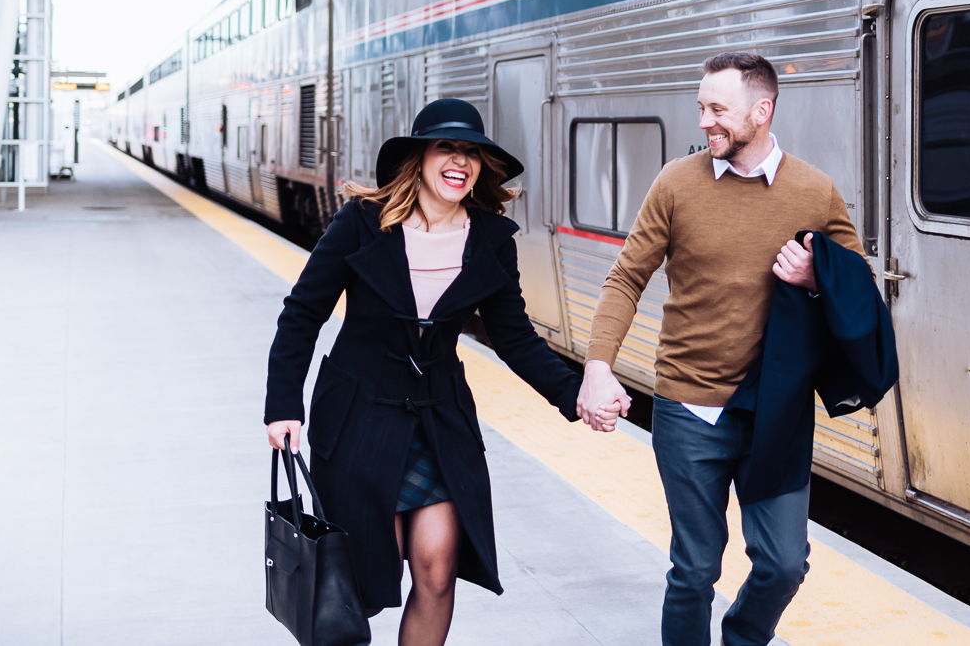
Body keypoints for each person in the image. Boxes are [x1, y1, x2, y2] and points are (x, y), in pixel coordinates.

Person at [264, 98, 610, 646]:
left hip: (439, 425)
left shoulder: (491, 239)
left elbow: (516, 338)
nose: (460, 160)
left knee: (437, 570)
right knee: (357, 581)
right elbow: (303, 313)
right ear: (419, 158)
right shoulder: (363, 223)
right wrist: (284, 405)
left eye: (471, 152)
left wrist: (576, 397)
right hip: (357, 421)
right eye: (446, 147)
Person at [578, 52, 863, 646]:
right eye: (701, 107)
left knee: (785, 563)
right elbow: (627, 276)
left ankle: (741, 638)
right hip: (688, 408)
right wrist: (598, 367)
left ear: (762, 111)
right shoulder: (676, 183)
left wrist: (819, 277)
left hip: (775, 410)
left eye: (718, 109)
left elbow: (858, 285)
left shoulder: (814, 190)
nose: (705, 121)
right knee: (696, 569)